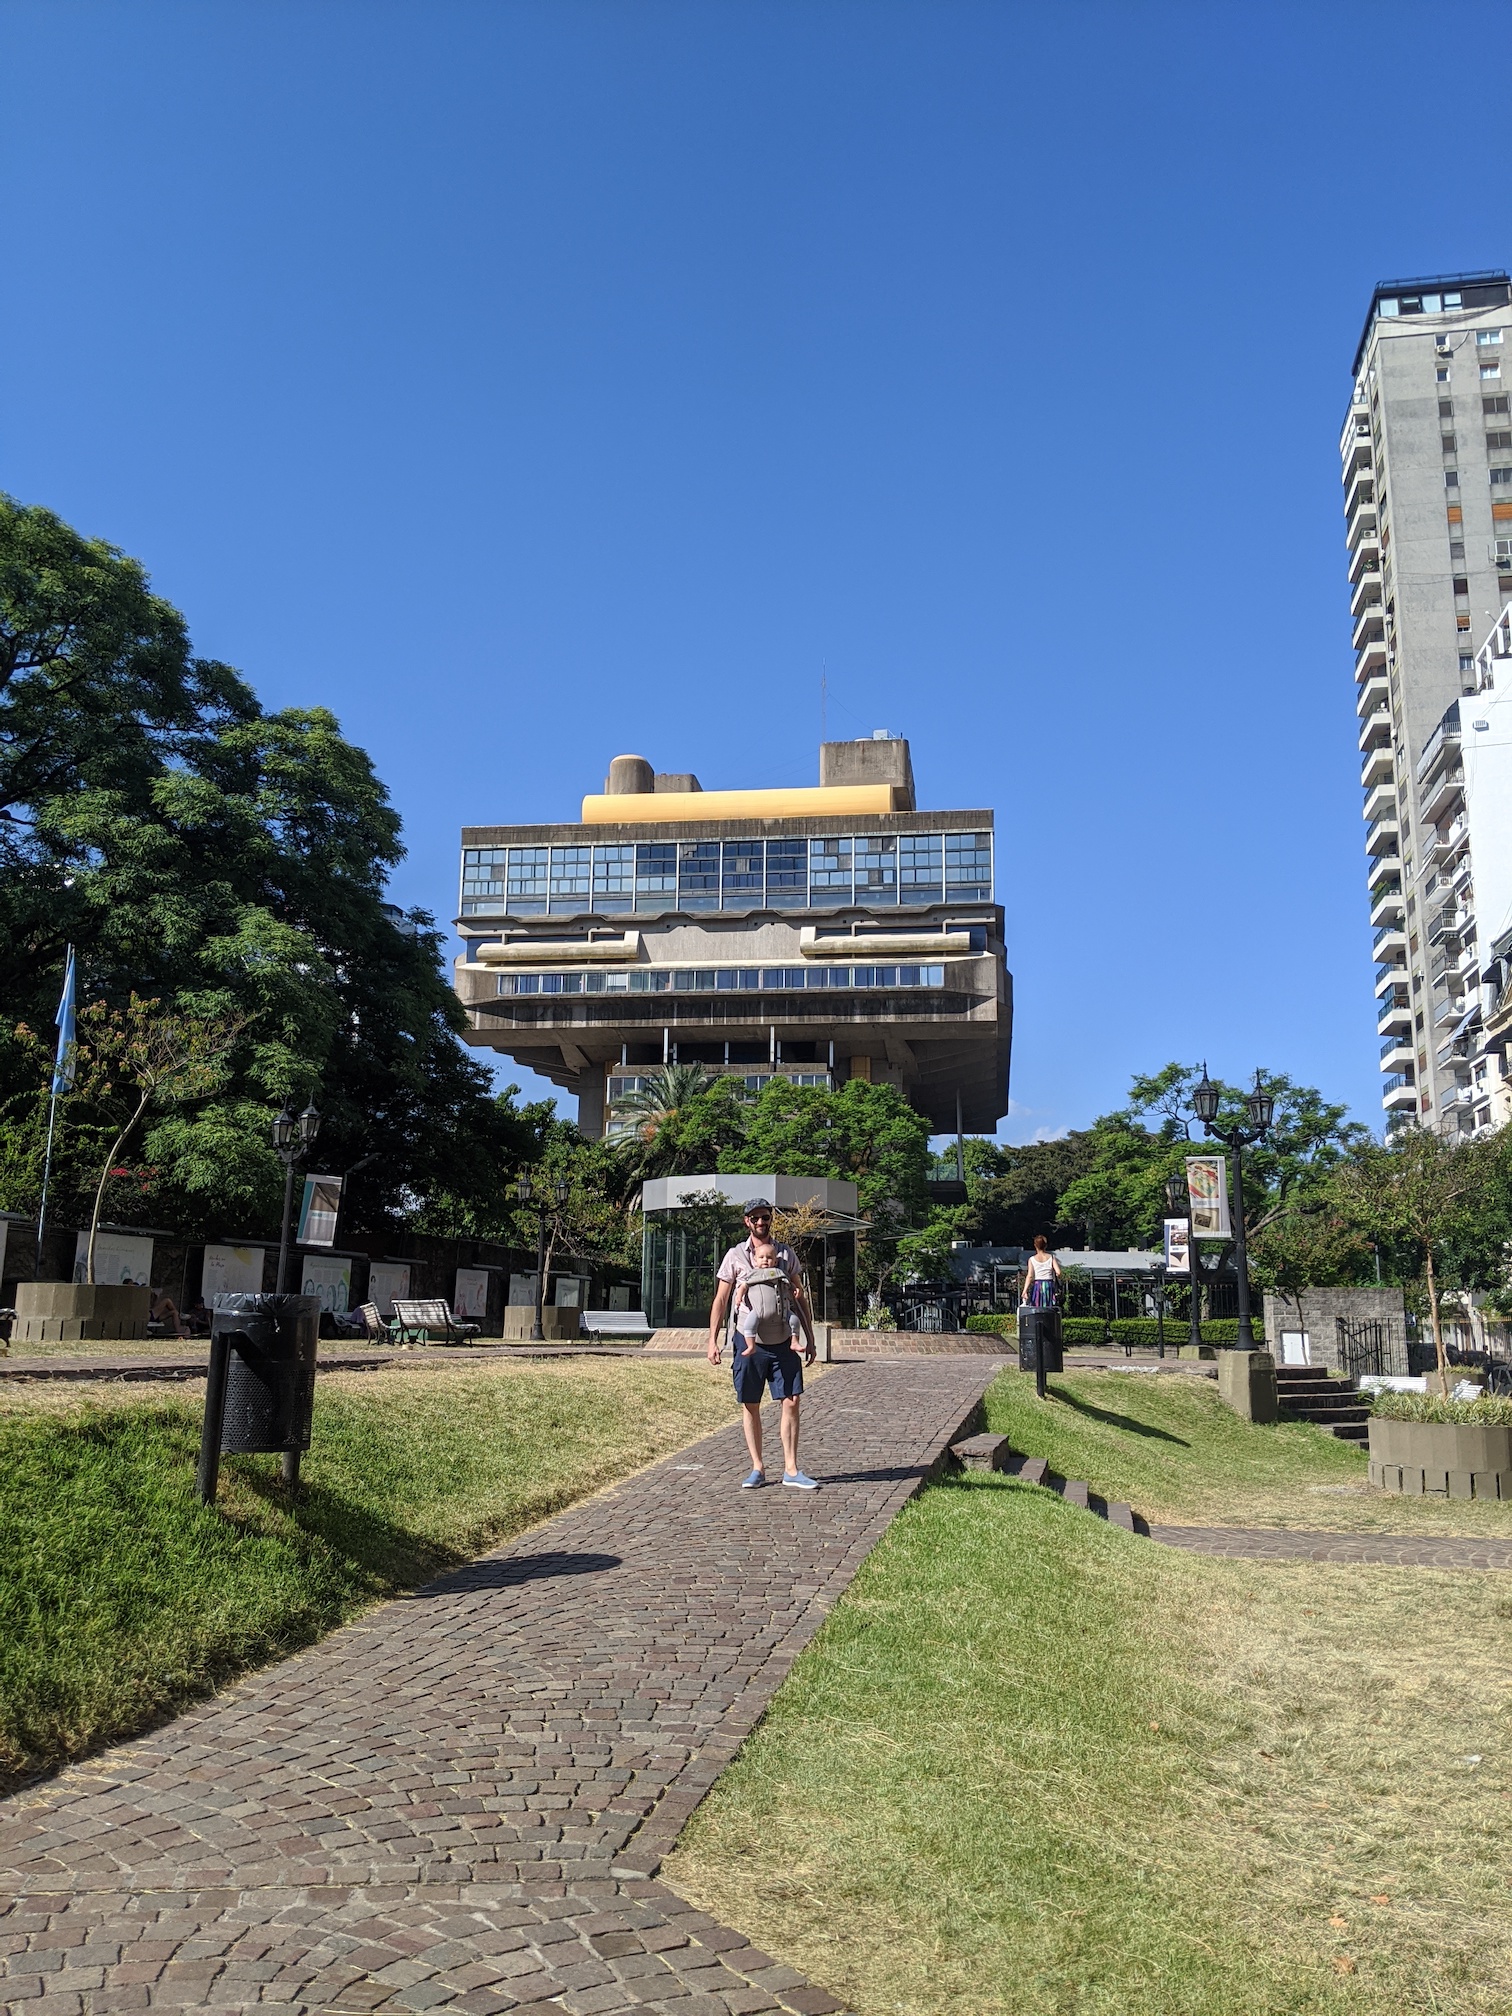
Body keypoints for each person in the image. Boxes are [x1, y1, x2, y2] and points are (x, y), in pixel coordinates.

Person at [707, 1200, 819, 1490]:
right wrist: (712, 1340)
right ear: (747, 1221)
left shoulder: (785, 1253)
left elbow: (799, 1297)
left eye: (765, 1217)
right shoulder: (735, 1255)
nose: (761, 1222)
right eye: (755, 1218)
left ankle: (791, 1469)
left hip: (783, 1339)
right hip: (749, 1339)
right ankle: (757, 1467)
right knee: (750, 1402)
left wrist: (809, 1337)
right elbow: (721, 1299)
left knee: (791, 1400)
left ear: (771, 1220)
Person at [1021, 1235, 1062, 1309]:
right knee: (1049, 1307)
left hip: (1038, 1285)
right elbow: (1058, 1272)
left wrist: (1025, 1290)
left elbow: (1030, 1276)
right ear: (1045, 1245)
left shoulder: (1032, 1259)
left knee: (1037, 1306)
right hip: (1049, 1284)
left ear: (1035, 1245)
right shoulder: (1051, 1257)